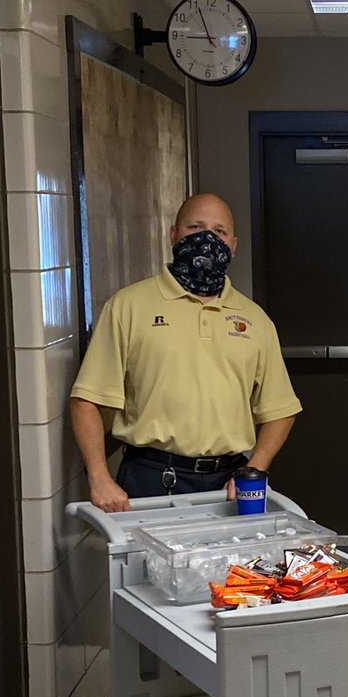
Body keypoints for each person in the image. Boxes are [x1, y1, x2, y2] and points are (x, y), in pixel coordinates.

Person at [69, 192, 301, 510]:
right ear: (173, 235)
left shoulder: (255, 319)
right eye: (195, 227)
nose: (207, 239)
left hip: (228, 484)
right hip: (150, 479)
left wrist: (254, 469)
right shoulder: (128, 306)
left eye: (219, 231)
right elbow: (86, 400)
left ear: (233, 245)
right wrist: (99, 478)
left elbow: (281, 410)